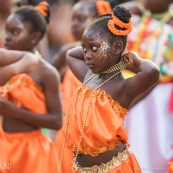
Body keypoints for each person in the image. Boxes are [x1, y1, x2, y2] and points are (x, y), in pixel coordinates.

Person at [58, 5, 160, 173]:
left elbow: (153, 71)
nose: (87, 55)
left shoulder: (122, 88)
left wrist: (133, 60)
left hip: (113, 169)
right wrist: (90, 44)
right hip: (81, 169)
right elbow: (71, 54)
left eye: (94, 48)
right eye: (85, 49)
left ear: (117, 48)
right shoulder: (88, 76)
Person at [53, 1, 117, 172]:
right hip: (66, 133)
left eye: (81, 19)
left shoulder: (109, 59)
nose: (74, 24)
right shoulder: (68, 53)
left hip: (95, 136)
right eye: (72, 19)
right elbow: (49, 79)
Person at [0, 2, 63, 173]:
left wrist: (14, 112)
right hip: (5, 145)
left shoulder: (46, 73)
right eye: (7, 31)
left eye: (16, 32)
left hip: (31, 150)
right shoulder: (5, 65)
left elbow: (56, 121)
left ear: (35, 37)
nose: (7, 37)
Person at [124, 0, 173, 172]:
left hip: (161, 94)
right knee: (132, 136)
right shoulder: (133, 14)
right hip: (131, 86)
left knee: (156, 139)